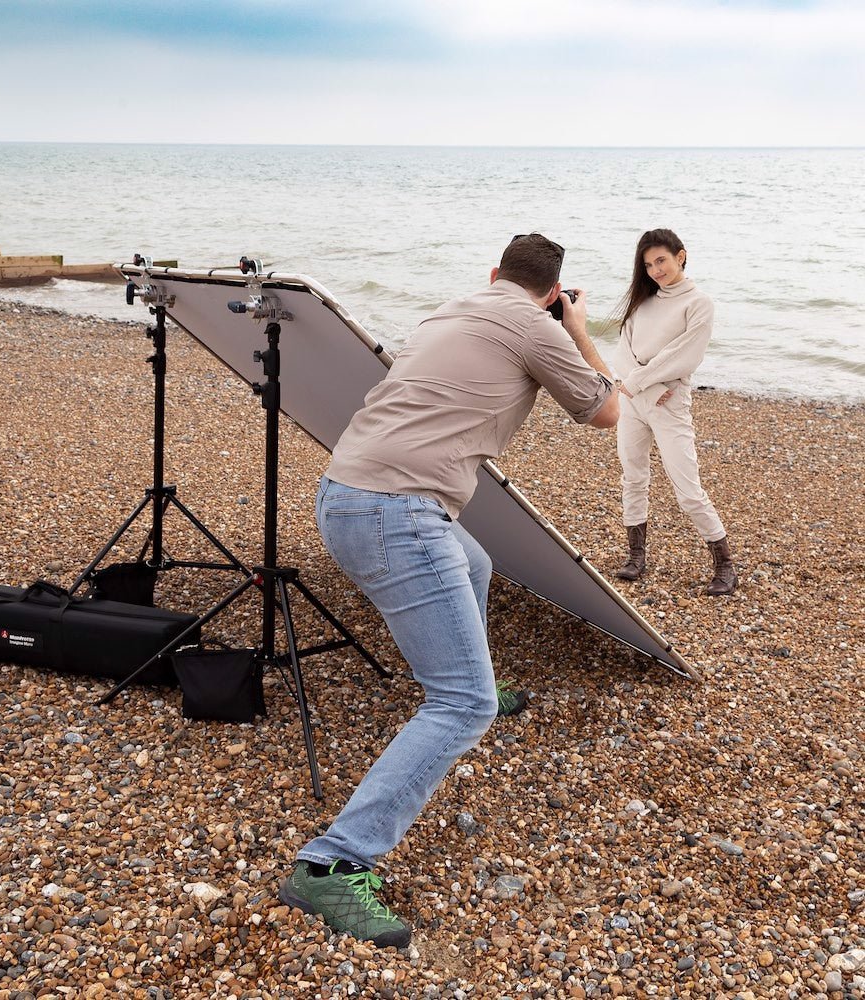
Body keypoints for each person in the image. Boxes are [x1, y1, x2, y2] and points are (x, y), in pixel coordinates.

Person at [278, 233, 619, 947]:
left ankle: (480, 679)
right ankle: (332, 864)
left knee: (474, 564)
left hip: (342, 493)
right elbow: (604, 410)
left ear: (493, 274)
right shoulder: (539, 324)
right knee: (459, 705)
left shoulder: (450, 309)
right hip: (398, 514)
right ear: (553, 293)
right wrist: (579, 331)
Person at [611, 228, 738, 596]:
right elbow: (623, 353)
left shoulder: (699, 303)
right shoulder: (643, 302)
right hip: (635, 399)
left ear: (680, 256)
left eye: (661, 261)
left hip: (669, 402)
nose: (655, 270)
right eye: (648, 264)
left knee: (688, 489)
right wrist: (644, 385)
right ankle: (636, 556)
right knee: (633, 477)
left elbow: (685, 355)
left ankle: (725, 566)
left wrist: (646, 383)